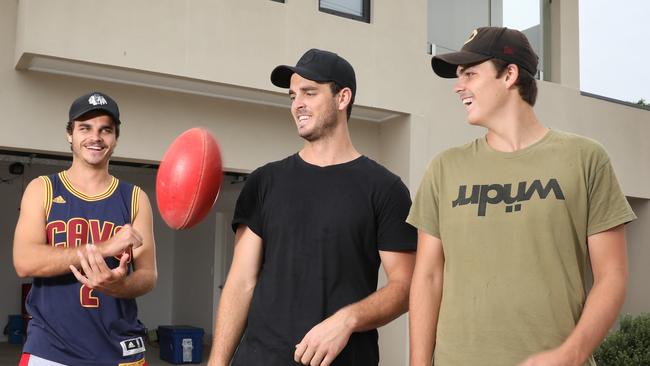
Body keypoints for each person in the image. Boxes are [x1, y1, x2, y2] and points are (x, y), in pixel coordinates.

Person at [407, 27, 637, 366]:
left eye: (469, 74)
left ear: (509, 75)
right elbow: (428, 277)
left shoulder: (585, 158)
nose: (459, 86)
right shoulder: (445, 168)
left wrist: (570, 355)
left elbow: (612, 275)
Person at [207, 49, 417, 366]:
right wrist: (217, 363)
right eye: (293, 95)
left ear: (343, 97)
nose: (297, 104)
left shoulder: (385, 189)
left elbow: (405, 286)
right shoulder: (265, 182)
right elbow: (240, 282)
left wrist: (347, 320)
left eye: (309, 92)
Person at [13, 91, 158, 366]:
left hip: (119, 348)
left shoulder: (135, 197)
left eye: (106, 130)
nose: (96, 137)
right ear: (70, 134)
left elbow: (148, 275)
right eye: (85, 128)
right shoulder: (42, 189)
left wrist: (120, 286)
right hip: (51, 350)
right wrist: (104, 248)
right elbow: (24, 262)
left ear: (115, 138)